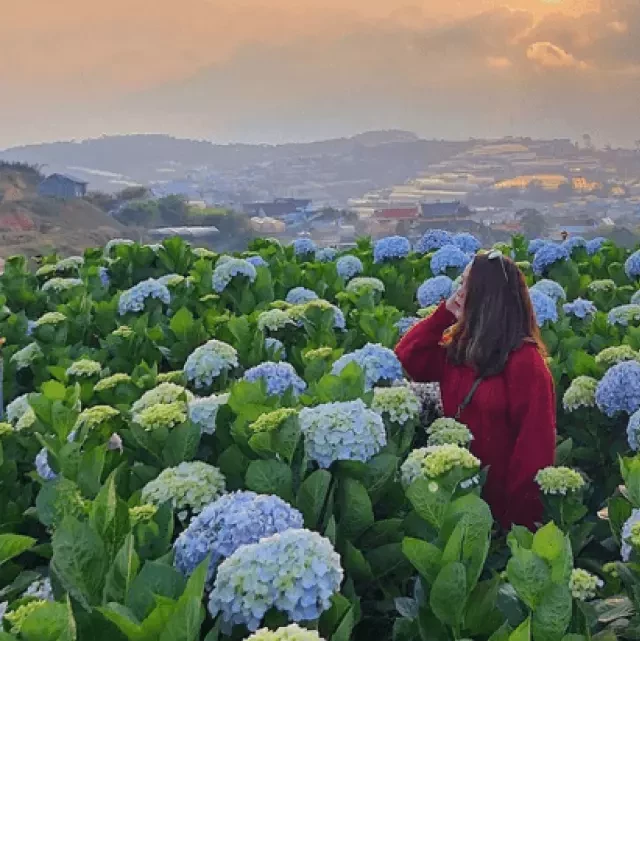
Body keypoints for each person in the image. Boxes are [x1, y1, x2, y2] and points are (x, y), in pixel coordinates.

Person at [395, 252, 556, 531]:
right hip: (455, 501)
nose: (459, 292)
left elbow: (534, 450)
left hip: (498, 515)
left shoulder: (525, 362)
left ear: (486, 295)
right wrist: (443, 314)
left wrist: (517, 526)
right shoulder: (458, 348)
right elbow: (408, 357)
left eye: (466, 284)